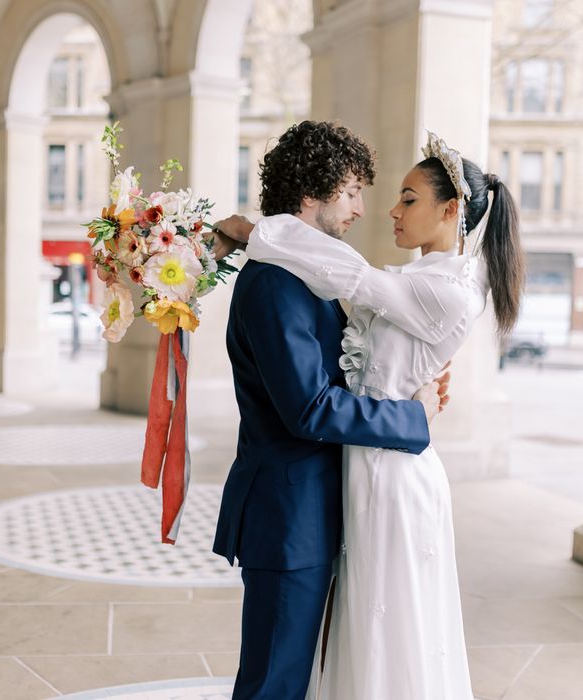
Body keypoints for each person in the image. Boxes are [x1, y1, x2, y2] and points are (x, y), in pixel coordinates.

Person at [215, 130, 525, 699]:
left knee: (380, 642)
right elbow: (311, 404)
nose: (370, 208)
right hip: (296, 508)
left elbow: (358, 292)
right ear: (316, 191)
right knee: (285, 676)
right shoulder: (278, 281)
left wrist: (251, 231)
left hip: (370, 486)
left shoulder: (442, 288)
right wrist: (414, 412)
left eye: (406, 198)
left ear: (451, 210)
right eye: (354, 191)